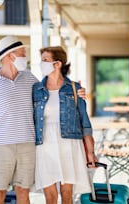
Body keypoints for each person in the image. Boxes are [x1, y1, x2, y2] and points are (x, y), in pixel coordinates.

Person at [0, 36, 86, 204]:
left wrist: (77, 92)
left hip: (28, 144)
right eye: (22, 53)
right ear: (11, 56)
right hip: (0, 146)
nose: (25, 57)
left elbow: (53, 89)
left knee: (23, 192)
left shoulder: (30, 79)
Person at [32, 46, 97, 204]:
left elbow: (85, 122)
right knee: (50, 196)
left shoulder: (75, 89)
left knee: (67, 194)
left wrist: (90, 152)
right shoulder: (36, 89)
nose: (42, 64)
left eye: (45, 60)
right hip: (44, 145)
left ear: (57, 64)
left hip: (69, 144)